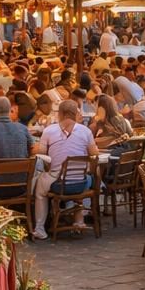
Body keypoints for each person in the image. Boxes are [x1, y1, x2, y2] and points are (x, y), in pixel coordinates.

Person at [30, 100, 98, 240]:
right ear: (76, 113)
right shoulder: (86, 131)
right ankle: (79, 219)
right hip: (80, 183)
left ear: (60, 114)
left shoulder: (49, 131)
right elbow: (94, 153)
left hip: (58, 183)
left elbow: (41, 153)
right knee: (90, 178)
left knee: (40, 190)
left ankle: (40, 228)